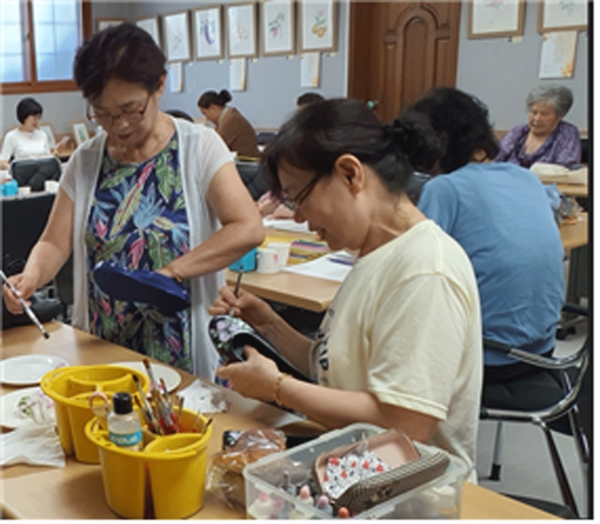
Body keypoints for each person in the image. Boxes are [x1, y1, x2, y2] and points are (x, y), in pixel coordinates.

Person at [209, 98, 483, 478]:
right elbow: (333, 368)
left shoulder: (425, 269)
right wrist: (269, 324)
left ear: (351, 174)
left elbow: (405, 426)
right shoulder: (374, 253)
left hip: (414, 493)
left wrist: (277, 388)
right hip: (354, 470)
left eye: (299, 198)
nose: (300, 218)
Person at [2, 23, 264, 380]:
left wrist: (171, 273)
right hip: (102, 346)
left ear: (159, 85)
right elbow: (54, 241)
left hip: (182, 351)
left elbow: (247, 227)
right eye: (103, 114)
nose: (119, 125)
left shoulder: (199, 147)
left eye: (131, 110)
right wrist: (30, 277)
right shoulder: (86, 159)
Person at [400, 87, 564, 383]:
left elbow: (412, 270)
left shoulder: (444, 189)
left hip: (488, 357)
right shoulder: (525, 177)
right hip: (543, 350)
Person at [257, 93, 326, 218]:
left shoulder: (324, 151)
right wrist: (269, 203)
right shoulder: (292, 143)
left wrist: (292, 209)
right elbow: (283, 192)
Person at [495, 84, 581, 168]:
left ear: (560, 115)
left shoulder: (567, 133)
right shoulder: (518, 131)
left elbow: (564, 168)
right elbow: (495, 158)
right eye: (533, 112)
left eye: (544, 114)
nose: (537, 119)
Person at [0, 98, 66, 185]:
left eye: (38, 117)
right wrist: (14, 170)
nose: (36, 121)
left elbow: (46, 159)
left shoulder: (42, 135)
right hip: (23, 178)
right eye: (34, 117)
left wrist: (56, 152)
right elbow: (2, 161)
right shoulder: (12, 136)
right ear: (24, 116)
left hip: (44, 177)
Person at [197, 89, 260, 158]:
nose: (207, 118)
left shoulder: (231, 120)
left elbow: (214, 146)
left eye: (205, 113)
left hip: (247, 162)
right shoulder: (227, 117)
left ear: (213, 108)